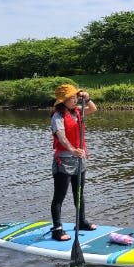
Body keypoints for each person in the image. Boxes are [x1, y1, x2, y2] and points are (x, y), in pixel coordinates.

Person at [49, 84, 98, 241]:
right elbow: (62, 137)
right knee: (60, 196)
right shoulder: (58, 116)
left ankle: (81, 222)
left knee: (79, 193)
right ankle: (57, 229)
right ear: (63, 101)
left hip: (80, 159)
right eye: (72, 97)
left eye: (76, 96)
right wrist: (72, 150)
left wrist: (87, 98)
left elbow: (94, 109)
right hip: (64, 160)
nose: (75, 99)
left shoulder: (78, 111)